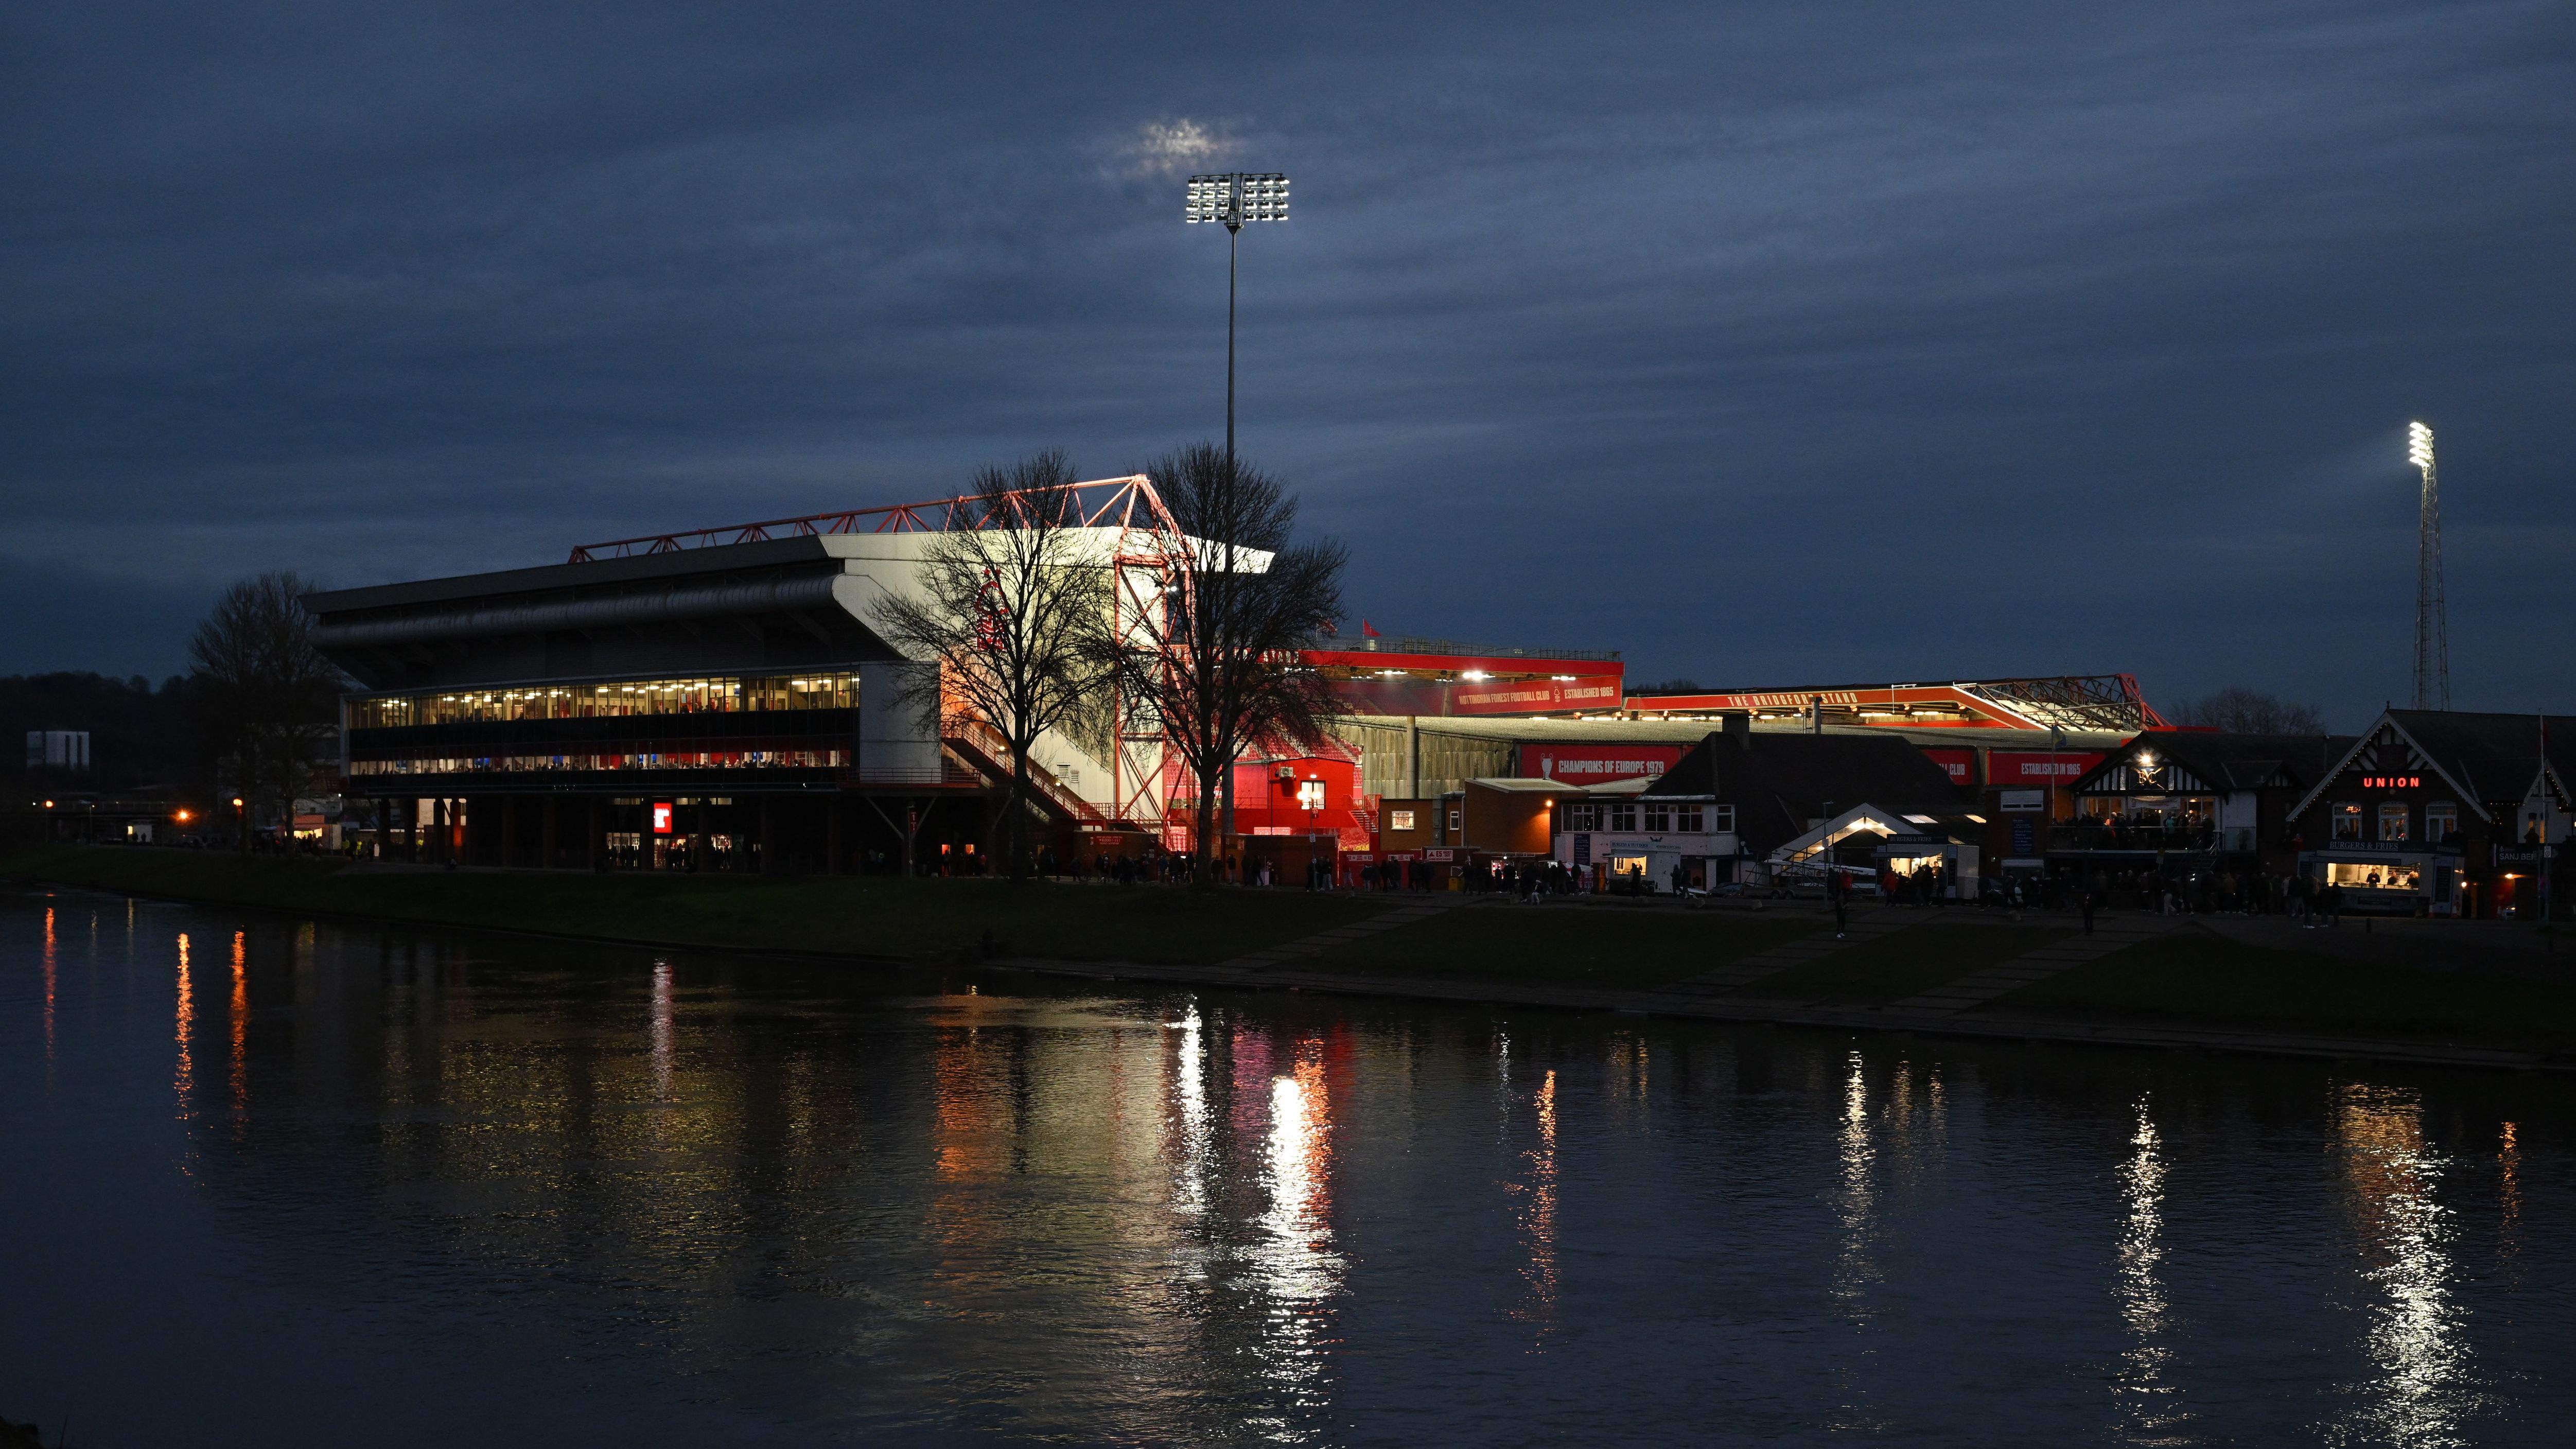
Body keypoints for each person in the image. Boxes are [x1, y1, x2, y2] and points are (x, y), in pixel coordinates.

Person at [1827, 867, 1848, 938]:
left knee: (1841, 920)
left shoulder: (1836, 879)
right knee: (1841, 920)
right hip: (1840, 902)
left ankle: (1840, 932)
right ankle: (1840, 932)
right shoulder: (1841, 878)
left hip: (1839, 901)